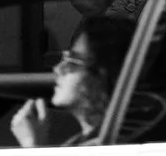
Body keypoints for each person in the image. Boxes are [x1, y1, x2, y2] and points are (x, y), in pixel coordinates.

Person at [13, 15, 137, 147]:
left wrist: (32, 145)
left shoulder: (110, 147)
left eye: (73, 62)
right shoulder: (87, 141)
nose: (58, 68)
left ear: (103, 74)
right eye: (64, 59)